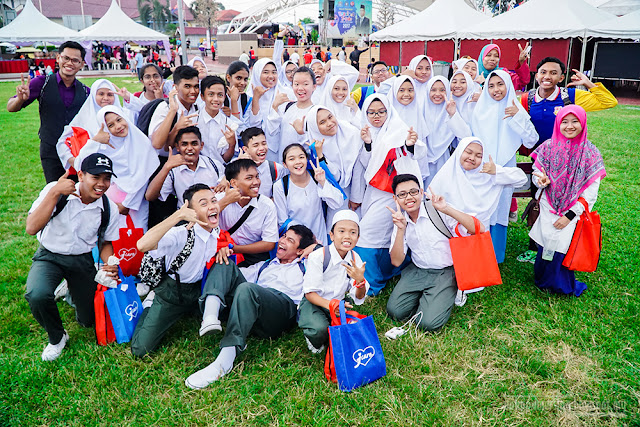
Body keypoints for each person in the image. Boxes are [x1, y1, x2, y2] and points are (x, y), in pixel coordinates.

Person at [184, 224, 315, 389]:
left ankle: (226, 357)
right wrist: (224, 254)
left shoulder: (307, 266)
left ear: (300, 250)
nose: (282, 241)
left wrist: (314, 247)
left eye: (290, 240)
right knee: (225, 262)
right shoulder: (266, 264)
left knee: (248, 289)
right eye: (283, 236)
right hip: (255, 306)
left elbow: (330, 256)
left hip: (282, 311)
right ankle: (210, 315)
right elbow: (234, 276)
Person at [516, 57, 617, 263]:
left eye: (553, 73)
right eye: (543, 72)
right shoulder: (527, 99)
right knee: (539, 201)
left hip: (570, 161)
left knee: (569, 201)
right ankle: (535, 247)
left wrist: (588, 84)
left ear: (562, 77)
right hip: (542, 161)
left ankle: (566, 245)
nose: (547, 76)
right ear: (537, 75)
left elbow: (609, 102)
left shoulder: (570, 96)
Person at [25, 153, 120, 361]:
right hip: (50, 256)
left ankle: (70, 290)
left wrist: (110, 263)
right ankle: (57, 337)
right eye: (95, 177)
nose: (101, 184)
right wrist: (54, 193)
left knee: (88, 320)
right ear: (81, 175)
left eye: (106, 179)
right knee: (37, 294)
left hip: (81, 259)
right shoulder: (56, 191)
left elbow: (106, 242)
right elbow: (31, 228)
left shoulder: (108, 207)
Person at [429, 137, 527, 303]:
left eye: (478, 155)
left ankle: (465, 285)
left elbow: (522, 179)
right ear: (459, 152)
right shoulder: (448, 173)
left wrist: (496, 171)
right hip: (448, 228)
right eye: (468, 152)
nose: (472, 158)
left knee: (469, 270)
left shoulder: (487, 174)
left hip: (476, 231)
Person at [130, 184, 222, 357]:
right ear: (191, 212)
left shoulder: (215, 230)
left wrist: (223, 248)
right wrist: (178, 215)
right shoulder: (181, 233)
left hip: (198, 290)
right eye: (203, 203)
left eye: (213, 201)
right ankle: (150, 303)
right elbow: (142, 245)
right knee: (141, 349)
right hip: (171, 292)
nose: (212, 206)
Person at [350, 93, 425, 295]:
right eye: (371, 112)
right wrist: (367, 143)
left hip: (395, 195)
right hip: (374, 194)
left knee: (366, 234)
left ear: (388, 111)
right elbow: (366, 167)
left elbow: (414, 153)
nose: (376, 116)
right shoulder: (366, 131)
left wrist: (409, 144)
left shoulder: (398, 129)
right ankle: (388, 272)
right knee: (384, 235)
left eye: (381, 112)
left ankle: (372, 284)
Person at [386, 174, 482, 331]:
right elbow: (396, 261)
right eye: (402, 194)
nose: (409, 197)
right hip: (418, 270)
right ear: (395, 199)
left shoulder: (438, 209)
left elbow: (478, 229)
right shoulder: (401, 220)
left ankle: (453, 291)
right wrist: (401, 229)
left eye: (413, 192)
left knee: (428, 324)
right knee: (395, 312)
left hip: (445, 271)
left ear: (421, 192)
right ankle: (429, 297)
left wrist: (447, 209)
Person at [529, 105, 605, 297]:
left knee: (561, 246)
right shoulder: (548, 146)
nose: (569, 126)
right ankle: (541, 279)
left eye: (574, 121)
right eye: (564, 121)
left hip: (571, 211)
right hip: (548, 204)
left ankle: (561, 285)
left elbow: (591, 192)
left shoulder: (590, 153)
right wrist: (540, 180)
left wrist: (570, 215)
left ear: (583, 123)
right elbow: (537, 172)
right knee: (546, 241)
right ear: (558, 123)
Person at [470, 70, 538, 263]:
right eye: (491, 86)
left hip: (505, 168)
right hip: (482, 167)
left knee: (500, 208)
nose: (496, 90)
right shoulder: (479, 110)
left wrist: (517, 117)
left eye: (500, 84)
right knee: (481, 209)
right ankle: (477, 253)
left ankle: (495, 255)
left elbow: (532, 139)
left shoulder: (515, 109)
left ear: (508, 85)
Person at [7, 41, 90, 183]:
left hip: (77, 150)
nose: (69, 63)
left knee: (78, 190)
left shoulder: (86, 91)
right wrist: (20, 99)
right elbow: (11, 107)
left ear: (82, 64)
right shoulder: (42, 83)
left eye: (75, 60)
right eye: (66, 58)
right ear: (58, 58)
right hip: (51, 149)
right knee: (54, 190)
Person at [74, 105, 159, 230]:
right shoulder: (103, 147)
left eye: (119, 120)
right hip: (109, 200)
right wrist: (95, 141)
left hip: (136, 203)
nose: (118, 126)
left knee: (137, 234)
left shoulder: (140, 142)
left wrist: (126, 204)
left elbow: (143, 178)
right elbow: (79, 164)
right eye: (111, 125)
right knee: (109, 232)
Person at [298, 209, 369, 353]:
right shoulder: (319, 256)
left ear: (358, 237)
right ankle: (311, 333)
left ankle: (330, 325)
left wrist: (360, 280)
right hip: (315, 302)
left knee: (353, 331)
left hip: (338, 302)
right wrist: (331, 305)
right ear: (331, 235)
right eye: (341, 231)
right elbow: (310, 294)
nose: (347, 236)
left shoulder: (355, 259)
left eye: (353, 232)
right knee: (320, 330)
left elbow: (359, 296)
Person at [274, 144, 344, 244]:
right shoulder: (280, 186)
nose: (298, 162)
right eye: (291, 159)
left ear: (307, 159)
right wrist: (308, 238)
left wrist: (323, 182)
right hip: (297, 243)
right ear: (285, 164)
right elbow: (283, 221)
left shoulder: (316, 177)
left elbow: (337, 203)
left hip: (320, 241)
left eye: (301, 157)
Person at [146, 126, 224, 208]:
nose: (189, 148)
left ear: (201, 145)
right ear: (177, 147)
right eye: (184, 144)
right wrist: (166, 167)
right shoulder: (173, 170)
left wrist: (225, 180)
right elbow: (150, 196)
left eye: (194, 144)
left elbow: (227, 184)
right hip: (185, 215)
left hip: (213, 212)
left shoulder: (214, 165)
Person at [219, 159, 279, 266]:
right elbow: (202, 220)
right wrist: (225, 202)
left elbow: (269, 243)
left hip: (254, 258)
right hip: (223, 254)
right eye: (249, 178)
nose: (256, 182)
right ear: (234, 183)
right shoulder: (219, 199)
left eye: (257, 177)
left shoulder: (267, 205)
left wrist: (235, 249)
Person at [265, 67, 316, 162]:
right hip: (283, 162)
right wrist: (275, 107)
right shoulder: (287, 107)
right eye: (296, 84)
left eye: (305, 84)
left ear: (314, 86)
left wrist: (301, 133)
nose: (300, 88)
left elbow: (314, 145)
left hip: (301, 165)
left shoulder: (315, 112)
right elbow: (272, 131)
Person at [197, 75, 240, 163]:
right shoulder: (193, 120)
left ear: (224, 97)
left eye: (220, 95)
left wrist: (232, 144)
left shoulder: (229, 125)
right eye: (211, 94)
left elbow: (226, 159)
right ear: (202, 96)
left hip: (220, 169)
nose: (216, 99)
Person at [238, 127, 287, 198]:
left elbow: (281, 197)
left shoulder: (276, 169)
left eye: (264, 144)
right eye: (256, 145)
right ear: (245, 149)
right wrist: (238, 165)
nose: (261, 148)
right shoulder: (237, 167)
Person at [224, 61, 252, 131]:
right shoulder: (219, 98)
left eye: (245, 79)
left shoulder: (247, 100)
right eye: (238, 78)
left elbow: (244, 129)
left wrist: (231, 115)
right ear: (228, 78)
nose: (242, 83)